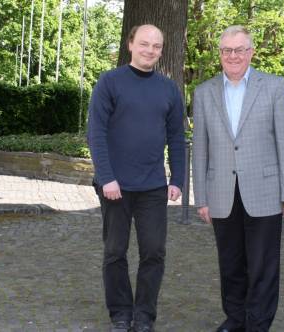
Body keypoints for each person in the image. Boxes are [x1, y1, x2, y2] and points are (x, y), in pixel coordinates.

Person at [192, 25, 284, 332]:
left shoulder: (274, 87)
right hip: (221, 193)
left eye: (239, 50)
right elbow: (200, 149)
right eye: (226, 50)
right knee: (230, 265)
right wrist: (201, 198)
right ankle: (235, 318)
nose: (233, 56)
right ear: (220, 54)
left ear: (251, 52)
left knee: (263, 267)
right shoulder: (203, 93)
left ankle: (258, 324)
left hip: (265, 191)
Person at [87, 24, 185, 332]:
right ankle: (120, 314)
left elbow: (177, 138)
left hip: (154, 187)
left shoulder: (169, 89)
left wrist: (178, 178)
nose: (150, 50)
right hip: (115, 186)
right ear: (131, 44)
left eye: (156, 46)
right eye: (144, 44)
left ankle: (144, 317)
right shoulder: (109, 82)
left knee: (154, 252)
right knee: (115, 252)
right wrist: (106, 178)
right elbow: (96, 133)